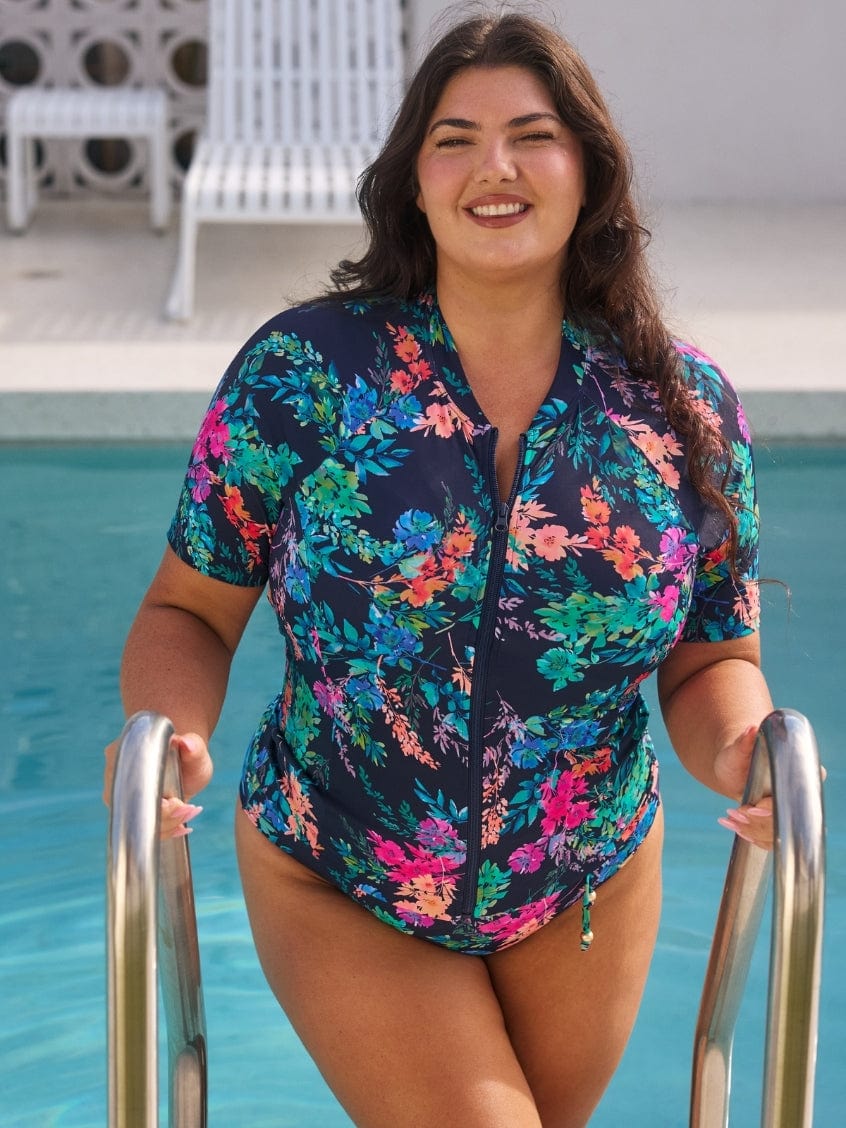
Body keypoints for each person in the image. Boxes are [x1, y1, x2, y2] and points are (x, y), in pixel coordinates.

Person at [104, 11, 777, 1126]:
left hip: (588, 885)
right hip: (342, 867)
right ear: (412, 182)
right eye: (454, 138)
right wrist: (167, 733)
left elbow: (713, 654)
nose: (494, 168)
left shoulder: (679, 407)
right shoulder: (304, 376)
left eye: (532, 134)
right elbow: (189, 609)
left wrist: (750, 749)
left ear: (589, 172)